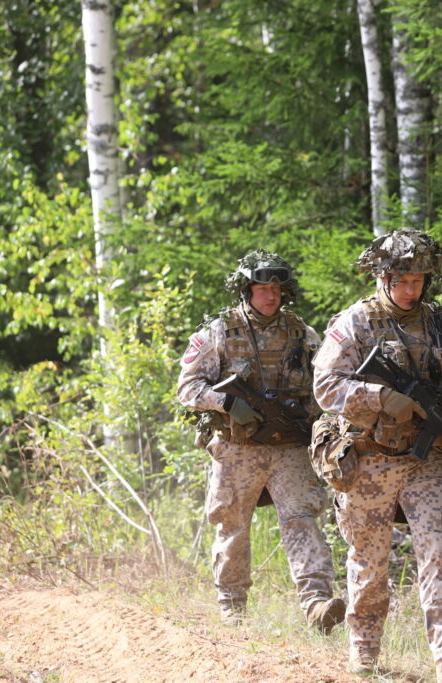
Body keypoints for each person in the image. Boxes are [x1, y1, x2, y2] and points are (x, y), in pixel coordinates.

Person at [312, 230, 442, 682]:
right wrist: (379, 397)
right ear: (383, 278)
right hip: (369, 459)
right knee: (370, 562)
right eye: (402, 281)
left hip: (421, 462)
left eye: (418, 280)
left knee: (438, 550)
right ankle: (364, 652)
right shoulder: (355, 322)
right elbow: (325, 387)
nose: (411, 290)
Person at [177, 250, 345, 632]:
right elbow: (187, 388)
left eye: (276, 288)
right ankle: (232, 609)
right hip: (238, 448)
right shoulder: (220, 331)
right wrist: (227, 403)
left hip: (289, 447)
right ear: (246, 290)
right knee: (233, 527)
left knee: (302, 520)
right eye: (262, 288)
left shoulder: (302, 333)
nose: (271, 295)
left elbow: (325, 384)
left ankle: (317, 604)